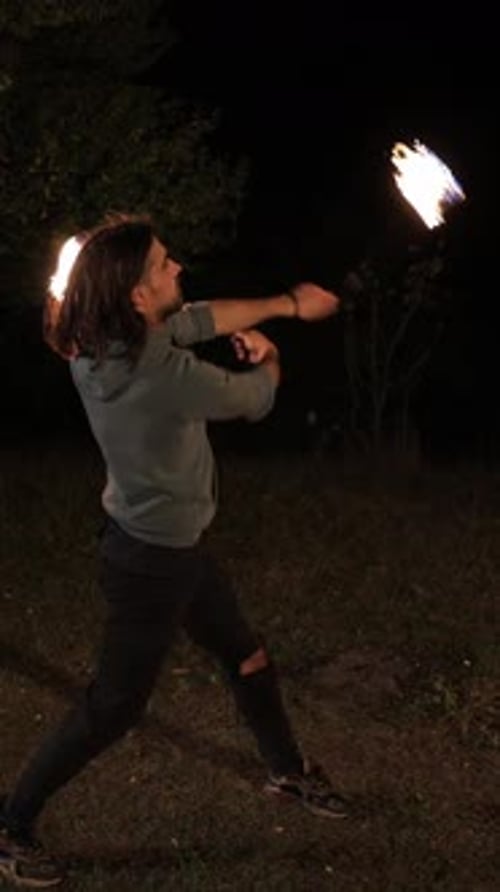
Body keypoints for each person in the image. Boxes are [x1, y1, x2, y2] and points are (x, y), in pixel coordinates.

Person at [0, 215, 345, 888]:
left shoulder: (88, 343)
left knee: (246, 655)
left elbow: (197, 317)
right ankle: (12, 824)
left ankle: (289, 772)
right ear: (134, 297)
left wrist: (288, 303)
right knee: (113, 708)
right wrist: (273, 352)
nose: (177, 268)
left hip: (168, 550)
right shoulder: (160, 375)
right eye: (162, 266)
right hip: (153, 565)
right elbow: (253, 399)